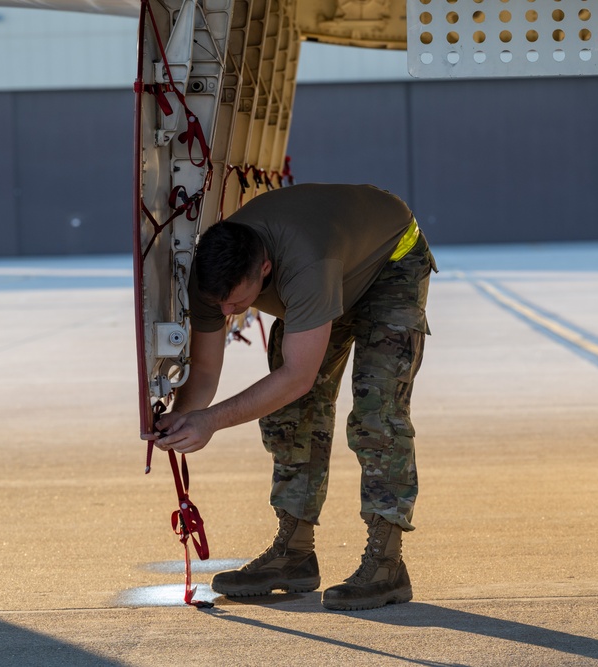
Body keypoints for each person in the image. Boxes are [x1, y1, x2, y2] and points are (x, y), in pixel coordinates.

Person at [153, 183, 435, 611]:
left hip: (389, 260)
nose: (229, 313)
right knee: (289, 414)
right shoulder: (214, 276)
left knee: (378, 413)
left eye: (239, 303)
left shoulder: (306, 265)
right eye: (221, 306)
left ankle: (386, 563)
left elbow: (298, 376)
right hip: (332, 266)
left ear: (264, 269)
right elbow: (207, 370)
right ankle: (295, 553)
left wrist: (210, 422)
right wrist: (182, 419)